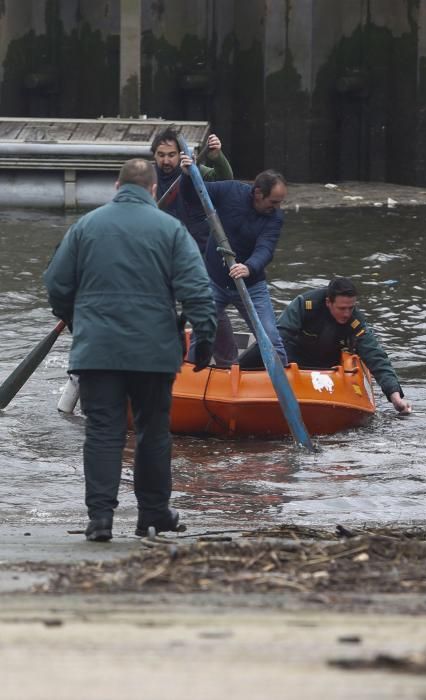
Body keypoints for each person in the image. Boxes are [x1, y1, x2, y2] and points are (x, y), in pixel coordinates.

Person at [43, 158, 217, 542]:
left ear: (116, 187)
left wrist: (78, 321)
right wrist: (203, 345)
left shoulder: (85, 226)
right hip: (153, 353)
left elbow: (55, 283)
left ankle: (100, 518)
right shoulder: (171, 229)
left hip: (97, 351)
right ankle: (153, 516)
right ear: (153, 190)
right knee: (152, 432)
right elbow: (198, 293)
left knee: (103, 431)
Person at [239, 276, 411, 414]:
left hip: (328, 367)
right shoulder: (305, 305)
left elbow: (376, 356)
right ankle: (234, 368)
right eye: (342, 308)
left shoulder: (355, 321)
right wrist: (240, 368)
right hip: (293, 358)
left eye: (351, 308)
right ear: (329, 302)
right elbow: (278, 338)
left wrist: (394, 395)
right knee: (266, 346)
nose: (347, 314)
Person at [180, 157, 289, 366]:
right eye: (273, 202)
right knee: (201, 334)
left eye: (280, 202)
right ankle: (191, 383)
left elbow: (266, 248)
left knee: (271, 338)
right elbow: (193, 196)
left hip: (251, 285)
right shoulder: (230, 191)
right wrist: (186, 176)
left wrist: (249, 267)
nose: (277, 207)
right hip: (215, 281)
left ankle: (282, 383)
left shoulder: (275, 217)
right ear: (258, 193)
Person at [152, 127, 236, 366]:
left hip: (199, 252)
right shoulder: (148, 179)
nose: (166, 160)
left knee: (210, 306)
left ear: (180, 155)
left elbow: (226, 179)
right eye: (161, 155)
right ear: (154, 156)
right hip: (163, 254)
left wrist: (217, 156)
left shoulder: (198, 171)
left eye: (171, 155)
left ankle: (228, 362)